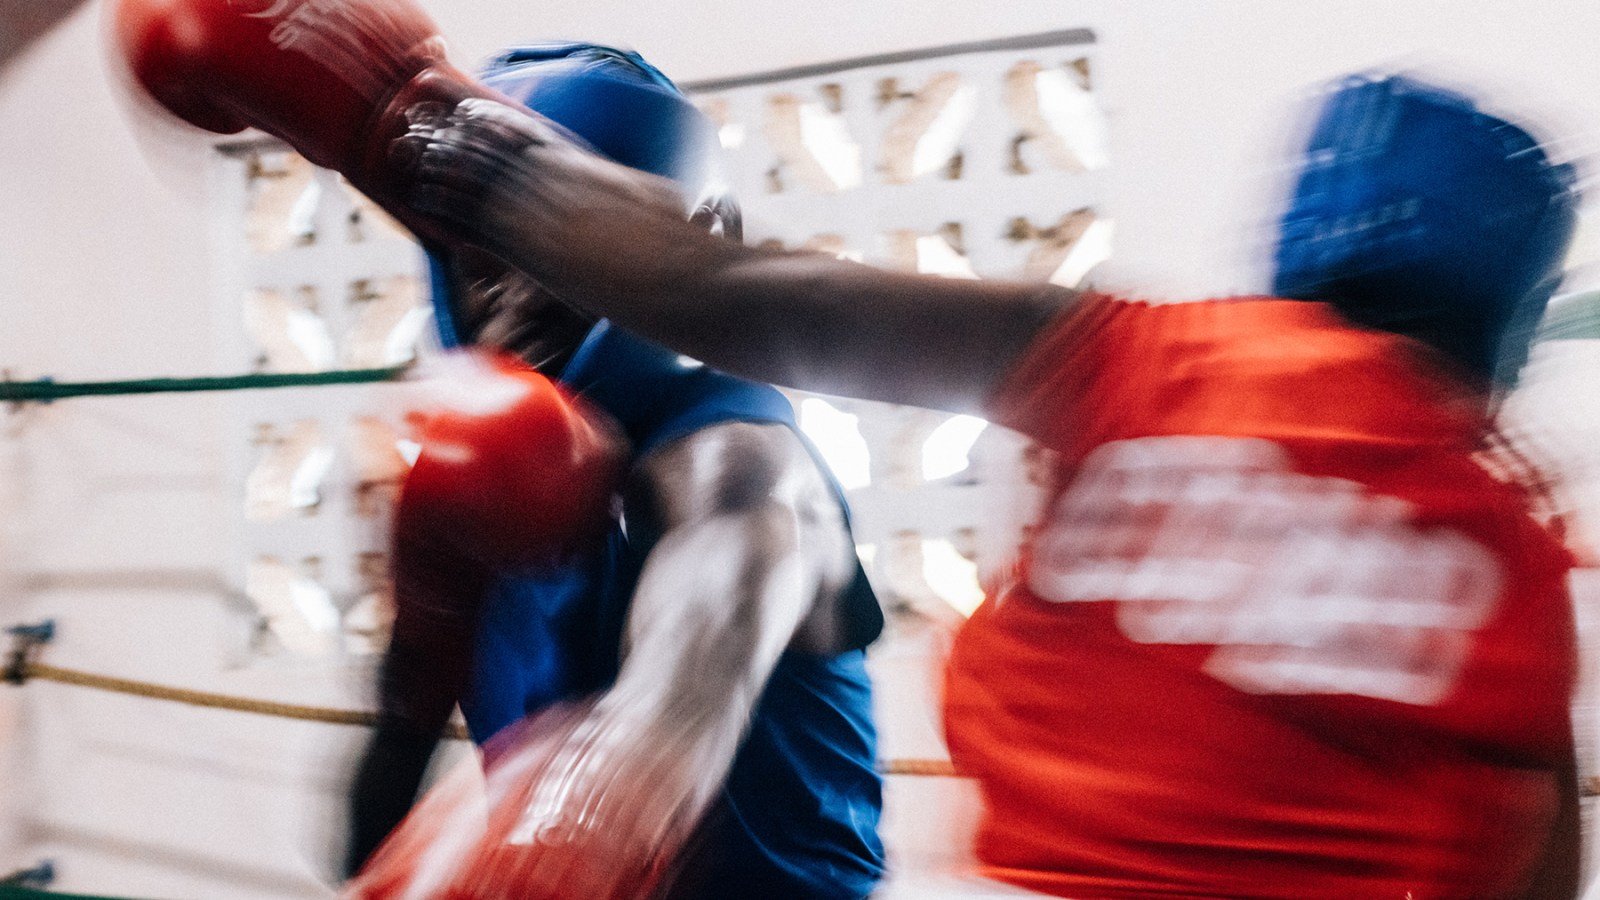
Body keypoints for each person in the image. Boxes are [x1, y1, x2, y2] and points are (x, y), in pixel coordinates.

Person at [392, 73, 1582, 897]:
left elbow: (738, 293)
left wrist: (394, 111)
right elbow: (1535, 867)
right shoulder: (1504, 540)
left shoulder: (1141, 356)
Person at [345, 44, 886, 899]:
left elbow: (676, 700)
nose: (508, 297)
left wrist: (564, 818)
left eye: (558, 253)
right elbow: (369, 822)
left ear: (674, 247)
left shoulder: (745, 466)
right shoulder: (466, 473)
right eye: (480, 257)